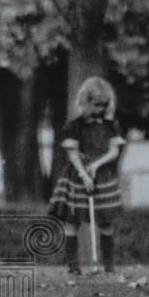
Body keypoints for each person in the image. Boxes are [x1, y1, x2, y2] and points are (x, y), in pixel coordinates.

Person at [48, 77, 127, 274]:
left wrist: (97, 165)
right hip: (78, 175)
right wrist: (84, 173)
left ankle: (109, 266)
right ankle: (74, 268)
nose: (101, 109)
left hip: (103, 175)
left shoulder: (110, 125)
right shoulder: (74, 125)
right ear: (85, 101)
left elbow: (114, 151)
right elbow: (72, 153)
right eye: (96, 104)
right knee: (72, 220)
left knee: (106, 220)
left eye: (104, 105)